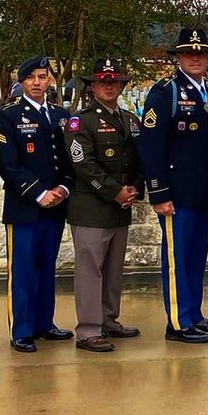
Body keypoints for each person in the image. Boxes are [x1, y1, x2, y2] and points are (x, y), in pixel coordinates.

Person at [138, 29, 208, 343]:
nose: (195, 58)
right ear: (177, 57)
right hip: (176, 192)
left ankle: (194, 314)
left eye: (201, 53)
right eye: (189, 53)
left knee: (194, 257)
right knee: (177, 258)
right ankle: (178, 322)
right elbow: (150, 146)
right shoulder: (166, 92)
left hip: (201, 189)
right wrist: (159, 193)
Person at [0, 56, 75, 353]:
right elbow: (8, 164)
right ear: (22, 82)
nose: (38, 83)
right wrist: (39, 193)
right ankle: (22, 329)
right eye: (32, 78)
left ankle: (44, 323)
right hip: (25, 207)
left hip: (55, 206)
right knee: (24, 269)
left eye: (43, 77)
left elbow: (69, 159)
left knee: (47, 267)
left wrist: (64, 188)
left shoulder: (61, 114)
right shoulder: (8, 116)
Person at [64, 58, 143, 353]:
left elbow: (137, 160)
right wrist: (115, 192)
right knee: (90, 270)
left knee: (113, 270)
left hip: (120, 206)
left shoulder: (130, 119)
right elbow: (84, 164)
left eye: (114, 82)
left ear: (121, 86)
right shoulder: (80, 121)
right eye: (103, 82)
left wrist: (135, 186)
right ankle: (88, 330)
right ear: (93, 86)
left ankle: (109, 320)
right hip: (92, 206)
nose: (109, 86)